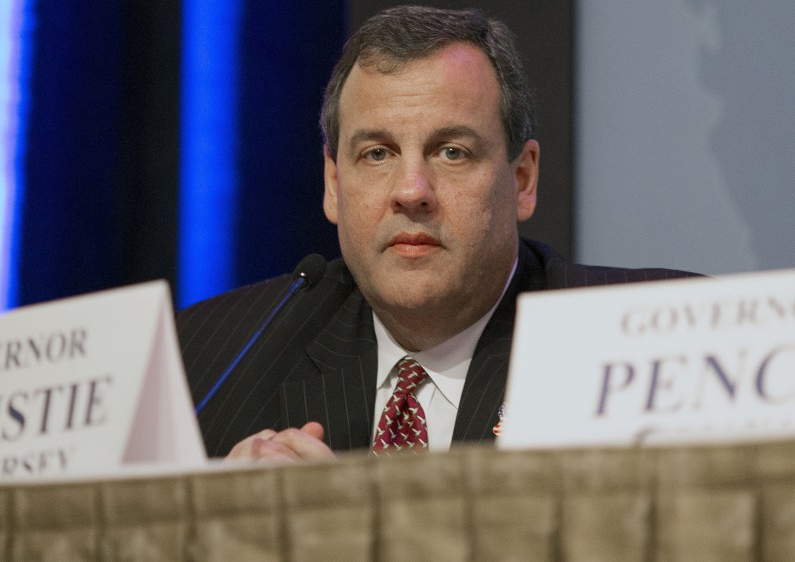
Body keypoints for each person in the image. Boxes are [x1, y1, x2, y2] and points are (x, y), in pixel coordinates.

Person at [176, 6, 698, 463]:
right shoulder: (207, 363)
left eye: (452, 151)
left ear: (523, 180)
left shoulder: (667, 344)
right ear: (334, 185)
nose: (411, 191)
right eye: (377, 154)